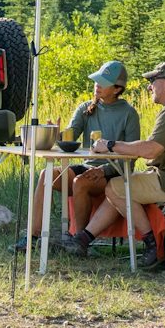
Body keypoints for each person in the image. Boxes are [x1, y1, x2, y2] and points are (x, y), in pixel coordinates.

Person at [59, 60, 165, 269]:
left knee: (117, 187)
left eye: (153, 80)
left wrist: (109, 145)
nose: (149, 86)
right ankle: (83, 239)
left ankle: (155, 245)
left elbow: (150, 150)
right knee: (122, 185)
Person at [15, 60, 140, 255]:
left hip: (112, 173)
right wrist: (55, 133)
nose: (97, 84)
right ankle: (33, 236)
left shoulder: (129, 114)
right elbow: (69, 137)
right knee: (45, 175)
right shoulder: (86, 108)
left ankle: (78, 242)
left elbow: (132, 157)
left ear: (117, 89)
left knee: (80, 182)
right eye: (96, 80)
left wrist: (104, 170)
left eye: (103, 82)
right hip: (88, 167)